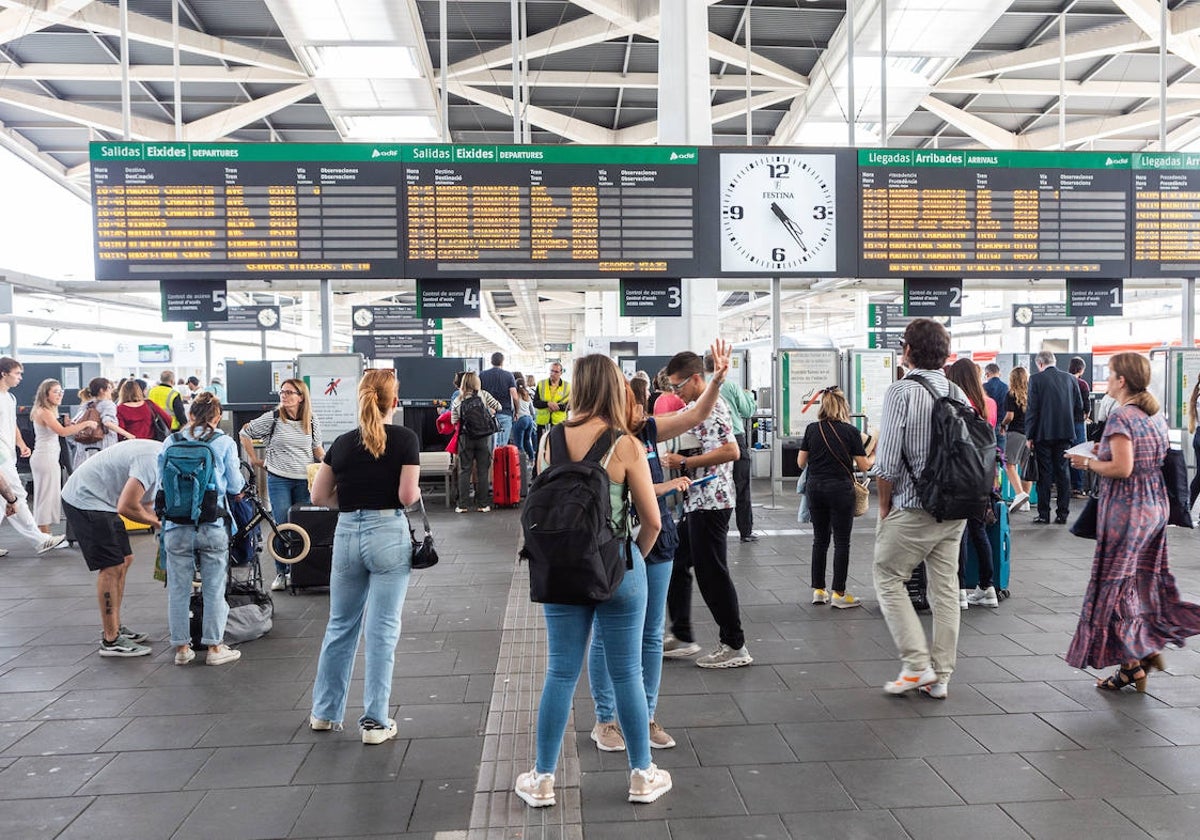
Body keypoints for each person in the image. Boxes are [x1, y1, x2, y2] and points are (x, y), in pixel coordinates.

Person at [515, 354, 669, 808]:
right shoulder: (625, 445)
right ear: (613, 389)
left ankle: (542, 779)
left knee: (560, 672)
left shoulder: (549, 440)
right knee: (628, 673)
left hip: (562, 570)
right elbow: (653, 522)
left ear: (577, 387)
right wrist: (624, 565)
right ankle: (642, 775)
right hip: (617, 570)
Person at [588, 340, 730, 754]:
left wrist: (717, 380)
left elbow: (696, 413)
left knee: (651, 635)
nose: (646, 406)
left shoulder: (648, 430)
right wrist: (663, 488)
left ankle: (646, 716)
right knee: (605, 635)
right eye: (637, 401)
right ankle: (606, 720)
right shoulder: (602, 439)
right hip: (615, 543)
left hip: (658, 540)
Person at [1065, 352, 1200, 691]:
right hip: (1155, 505)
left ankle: (1135, 660)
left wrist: (1088, 463)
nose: (1106, 380)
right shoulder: (1153, 414)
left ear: (1122, 381)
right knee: (1142, 581)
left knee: (1115, 586)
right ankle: (1140, 654)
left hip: (1128, 509)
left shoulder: (1122, 417)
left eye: (1110, 375)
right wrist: (1105, 449)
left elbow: (1122, 469)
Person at [309, 369, 422, 744]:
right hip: (388, 533)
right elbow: (407, 497)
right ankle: (374, 721)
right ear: (394, 400)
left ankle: (324, 713)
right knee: (382, 629)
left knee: (340, 625)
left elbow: (318, 497)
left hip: (346, 534)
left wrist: (354, 505)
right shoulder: (405, 439)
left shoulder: (342, 443)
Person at [871, 319, 968, 700]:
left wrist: (883, 507)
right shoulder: (958, 390)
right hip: (955, 506)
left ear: (908, 350)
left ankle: (916, 665)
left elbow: (888, 461)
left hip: (913, 506)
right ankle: (941, 676)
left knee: (888, 577)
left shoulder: (902, 391)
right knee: (945, 588)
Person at [661, 350, 750, 669]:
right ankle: (683, 634)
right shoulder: (695, 408)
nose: (675, 392)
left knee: (712, 572)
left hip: (712, 500)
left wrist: (684, 462)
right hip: (696, 499)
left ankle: (734, 644)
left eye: (678, 385)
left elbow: (731, 451)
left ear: (697, 379)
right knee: (676, 561)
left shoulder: (711, 409)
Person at [161, 393, 243, 667]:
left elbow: (160, 481)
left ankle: (182, 648)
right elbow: (234, 485)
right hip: (212, 523)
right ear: (217, 417)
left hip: (175, 525)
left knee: (178, 588)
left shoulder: (171, 441)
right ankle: (215, 648)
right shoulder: (223, 442)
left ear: (191, 415)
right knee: (214, 588)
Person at [62, 439, 162, 657]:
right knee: (111, 567)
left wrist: (161, 521)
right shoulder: (151, 461)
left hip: (103, 501)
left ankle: (115, 625)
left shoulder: (161, 456)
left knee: (125, 559)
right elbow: (126, 506)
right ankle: (111, 639)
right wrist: (158, 524)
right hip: (85, 500)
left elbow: (144, 504)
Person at [239, 379, 324, 591]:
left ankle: (301, 571)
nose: (284, 396)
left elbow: (317, 450)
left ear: (301, 396)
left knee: (302, 526)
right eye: (282, 392)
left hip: (304, 479)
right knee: (282, 525)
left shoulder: (311, 420)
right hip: (279, 479)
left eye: (289, 393)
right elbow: (244, 433)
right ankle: (282, 572)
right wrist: (254, 459)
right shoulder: (273, 418)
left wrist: (333, 465)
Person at [797, 386, 874, 609]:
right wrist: (874, 454)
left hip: (815, 488)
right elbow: (864, 465)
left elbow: (801, 463)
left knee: (820, 540)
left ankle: (819, 591)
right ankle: (839, 593)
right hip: (841, 489)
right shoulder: (850, 432)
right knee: (842, 542)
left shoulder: (812, 429)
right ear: (843, 406)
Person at [946, 359, 999, 610]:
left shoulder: (955, 405)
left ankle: (958, 591)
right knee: (979, 531)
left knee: (960, 534)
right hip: (985, 474)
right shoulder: (989, 404)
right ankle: (988, 587)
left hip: (960, 474)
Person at [0, 357, 66, 554]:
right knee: (16, 494)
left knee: (3, 499)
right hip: (1, 456)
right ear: (4, 373)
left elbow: (11, 426)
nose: (20, 377)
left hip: (9, 452)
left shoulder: (10, 398)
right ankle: (39, 540)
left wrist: (20, 444)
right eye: (17, 373)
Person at [30, 379, 98, 533]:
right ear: (45, 394)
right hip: (45, 457)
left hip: (49, 456)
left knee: (48, 494)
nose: (60, 394)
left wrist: (68, 424)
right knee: (45, 496)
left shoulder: (49, 411)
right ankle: (44, 534)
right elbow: (62, 432)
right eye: (55, 391)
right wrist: (86, 424)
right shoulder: (44, 411)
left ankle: (44, 533)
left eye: (61, 391)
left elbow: (61, 430)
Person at [1025, 351, 1083, 525]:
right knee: (1063, 472)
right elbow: (1078, 407)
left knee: (1045, 474)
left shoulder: (1036, 380)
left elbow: (1032, 409)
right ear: (1054, 361)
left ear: (1040, 364)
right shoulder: (1071, 379)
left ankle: (1044, 514)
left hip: (1043, 434)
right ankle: (1062, 514)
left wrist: (1030, 435)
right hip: (1065, 433)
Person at [711, 356, 758, 542]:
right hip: (735, 437)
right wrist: (748, 395)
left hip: (712, 440)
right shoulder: (730, 386)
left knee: (715, 484)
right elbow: (748, 411)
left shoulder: (700, 386)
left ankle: (718, 529)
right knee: (742, 486)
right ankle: (745, 531)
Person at [450, 371, 500, 513]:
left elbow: (454, 420)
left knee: (465, 470)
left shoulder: (458, 399)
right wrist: (489, 412)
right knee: (483, 470)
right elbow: (499, 407)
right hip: (483, 438)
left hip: (465, 438)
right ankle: (483, 504)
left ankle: (463, 505)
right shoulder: (484, 395)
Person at [72, 377, 134, 467]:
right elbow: (107, 422)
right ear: (102, 390)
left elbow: (75, 422)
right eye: (109, 388)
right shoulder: (108, 404)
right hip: (104, 445)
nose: (111, 391)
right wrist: (128, 434)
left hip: (85, 447)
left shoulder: (86, 404)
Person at [1003, 366, 1033, 513]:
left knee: (1009, 465)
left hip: (1015, 433)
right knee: (1026, 467)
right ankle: (1025, 501)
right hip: (1029, 434)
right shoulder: (1032, 395)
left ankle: (1020, 494)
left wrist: (1002, 425)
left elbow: (1010, 416)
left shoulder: (1011, 395)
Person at [480, 352, 518, 448]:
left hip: (487, 413)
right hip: (505, 412)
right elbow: (514, 396)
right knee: (502, 445)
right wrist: (516, 411)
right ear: (502, 362)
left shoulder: (482, 375)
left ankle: (490, 462)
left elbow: (478, 394)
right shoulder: (508, 375)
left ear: (491, 361)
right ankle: (500, 462)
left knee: (488, 444)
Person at [1068, 356, 1092, 498]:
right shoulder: (1082, 384)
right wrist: (1084, 417)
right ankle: (1077, 487)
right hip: (1077, 423)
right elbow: (1086, 408)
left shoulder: (1063, 381)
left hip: (1063, 423)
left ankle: (1064, 485)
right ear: (1081, 369)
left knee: (1066, 453)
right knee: (1079, 452)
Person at [533, 362, 570, 445]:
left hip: (559, 423)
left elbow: (570, 405)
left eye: (556, 372)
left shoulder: (567, 386)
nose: (553, 373)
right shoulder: (541, 384)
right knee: (541, 447)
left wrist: (558, 407)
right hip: (542, 423)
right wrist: (547, 404)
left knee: (557, 447)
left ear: (561, 373)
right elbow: (535, 403)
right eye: (551, 371)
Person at [511, 372, 536, 460]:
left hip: (520, 420)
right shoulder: (527, 395)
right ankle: (532, 459)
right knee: (527, 441)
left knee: (519, 443)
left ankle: (521, 463)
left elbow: (512, 408)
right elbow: (532, 411)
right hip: (529, 420)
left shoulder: (515, 395)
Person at [983, 363, 1008, 448]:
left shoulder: (983, 387)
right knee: (1001, 454)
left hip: (988, 424)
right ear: (998, 373)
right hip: (1002, 424)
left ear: (987, 374)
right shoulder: (1006, 387)